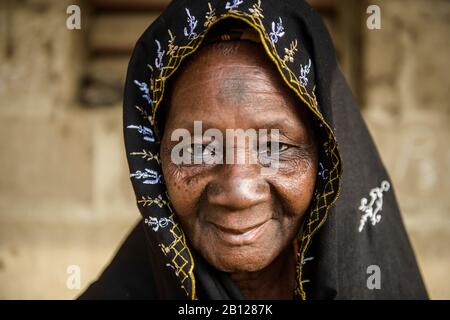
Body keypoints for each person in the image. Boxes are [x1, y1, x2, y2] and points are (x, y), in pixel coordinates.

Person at [79, 0, 427, 300]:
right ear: (155, 157)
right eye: (198, 148)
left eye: (275, 146)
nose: (238, 192)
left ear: (327, 158)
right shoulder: (136, 281)